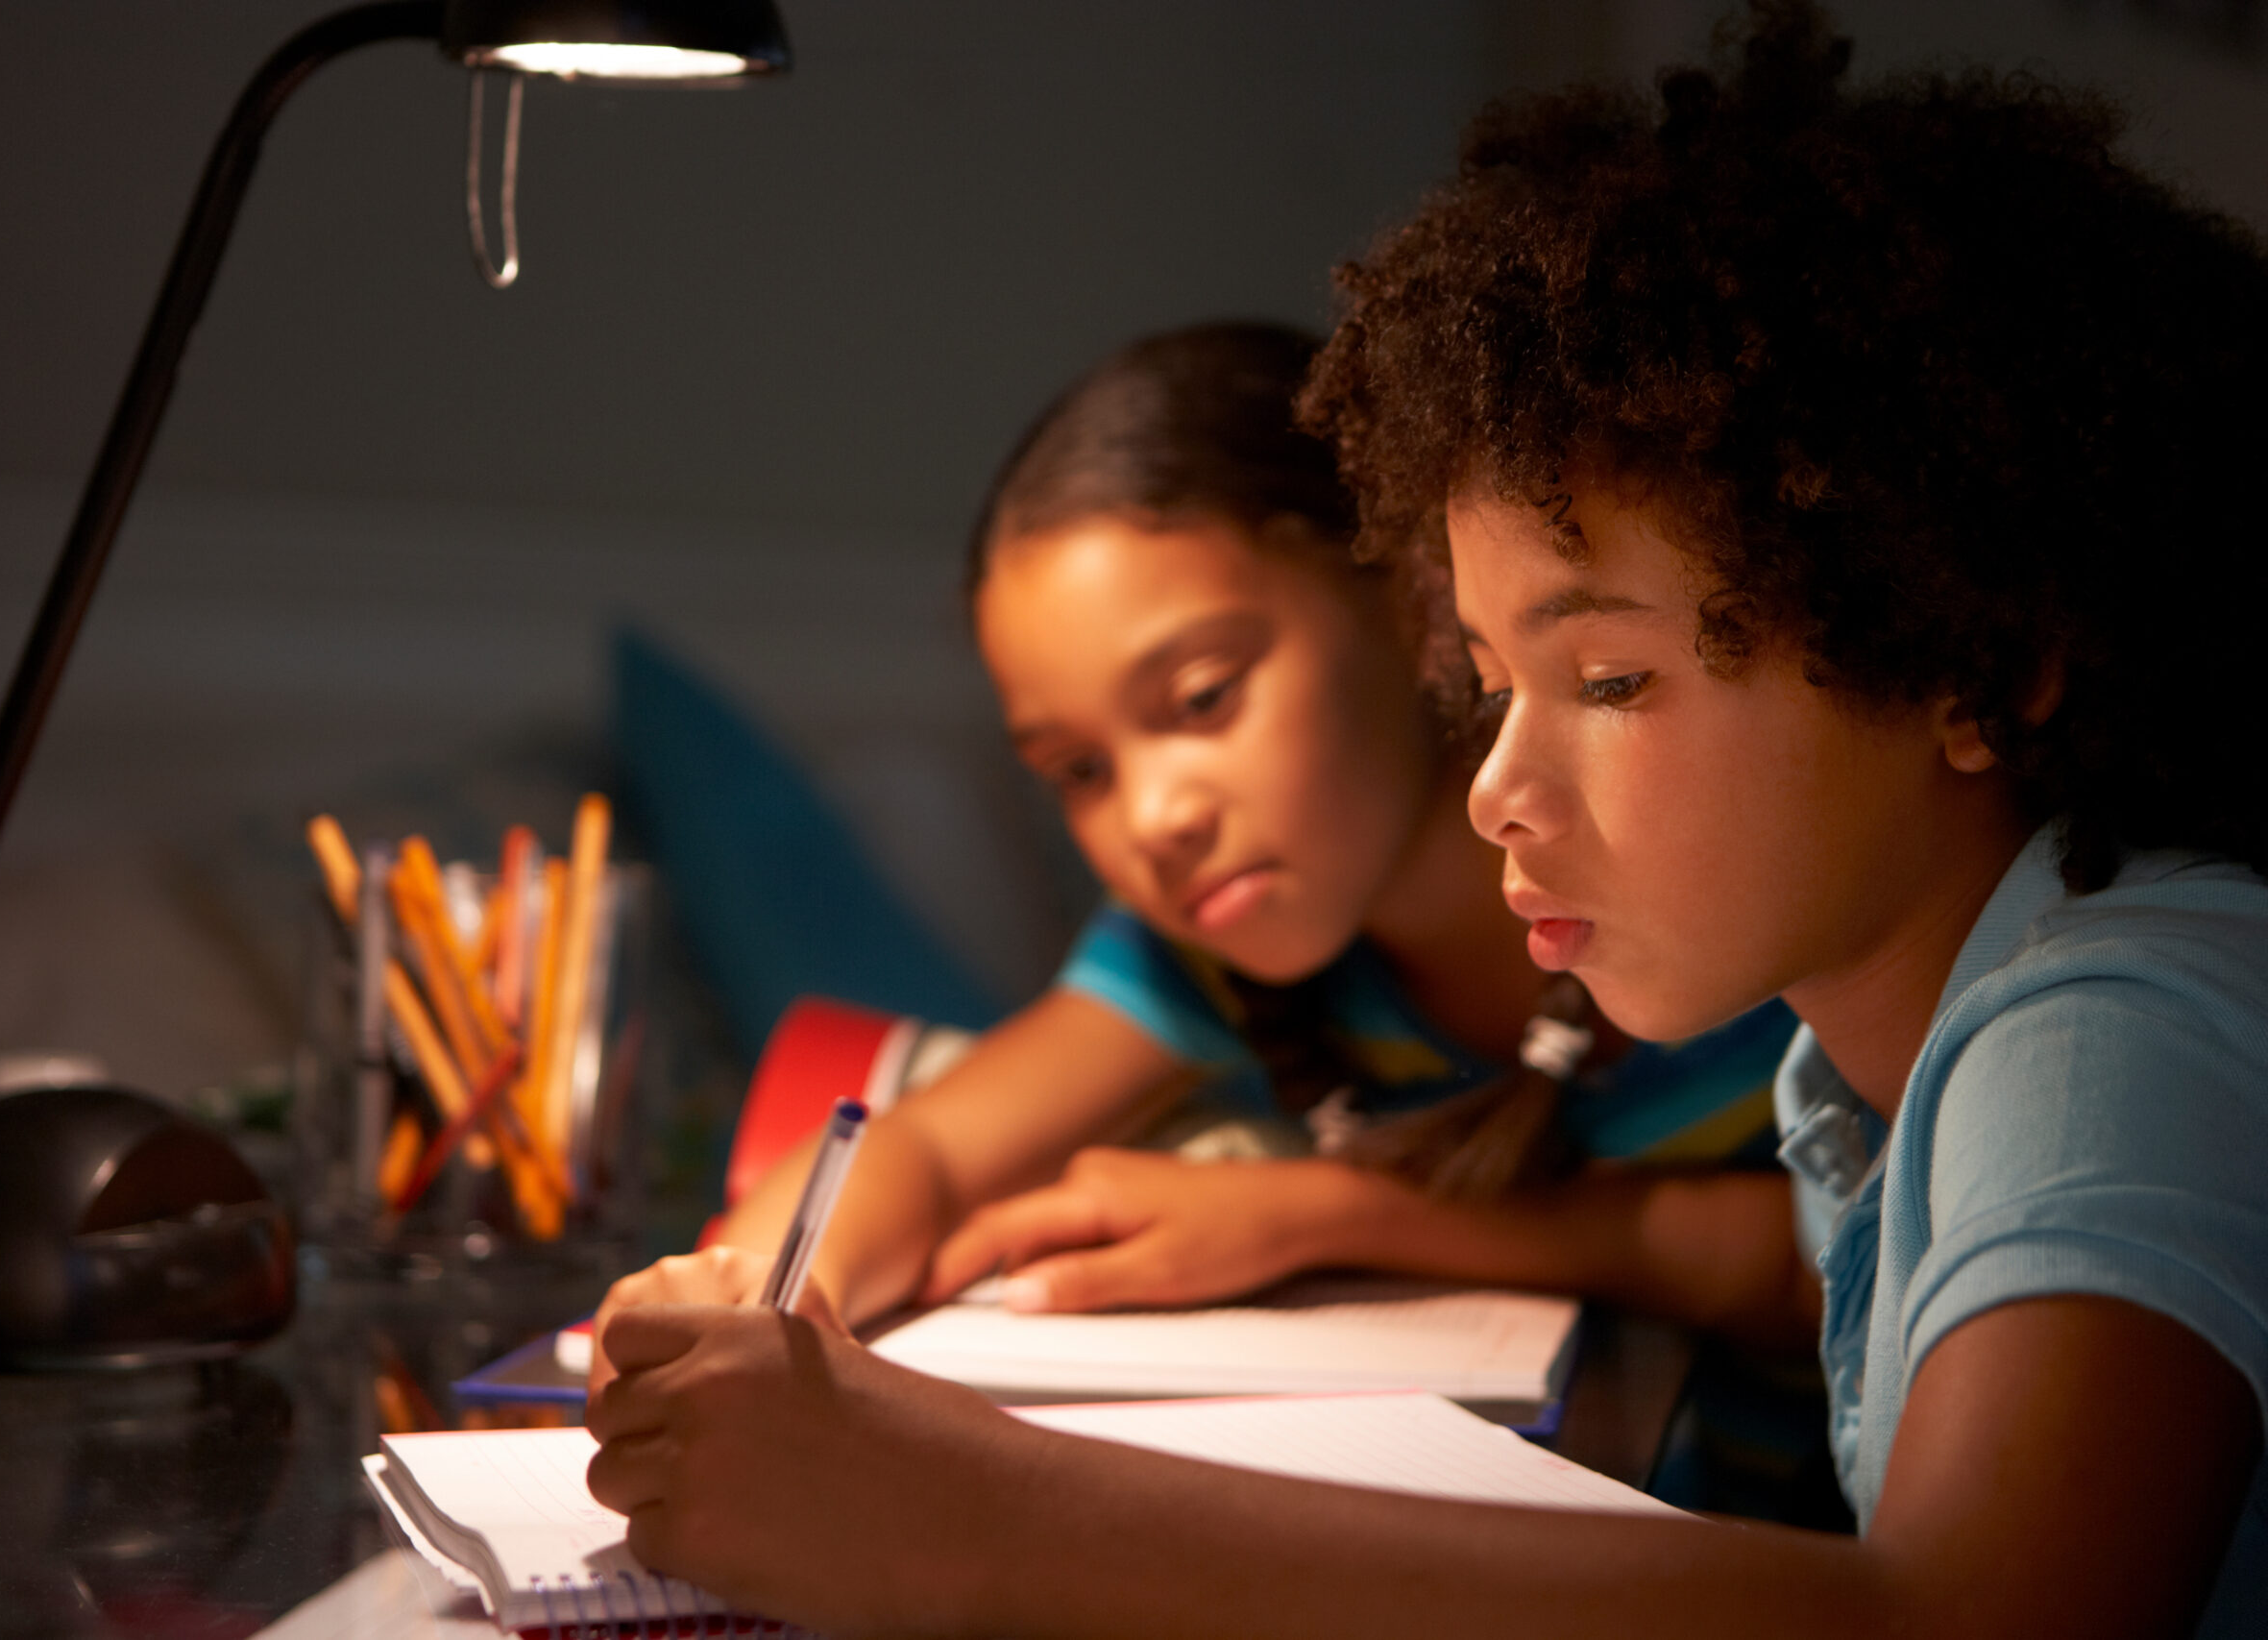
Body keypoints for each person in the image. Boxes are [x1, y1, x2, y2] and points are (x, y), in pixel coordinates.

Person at [583, 10, 2268, 1628]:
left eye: (1610, 681)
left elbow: (1973, 1622)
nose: (1494, 786)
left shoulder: (2111, 1016)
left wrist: (961, 1508)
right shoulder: (1869, 1066)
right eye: (1493, 679)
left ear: (1971, 653)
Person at [602, 319, 1804, 1358]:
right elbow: (926, 1153)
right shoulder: (1209, 959)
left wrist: (1339, 1211)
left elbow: (1834, 1259)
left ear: (1411, 596)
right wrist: (745, 1298)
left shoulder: (1709, 873)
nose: (1155, 819)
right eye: (1079, 772)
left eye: (1201, 700)